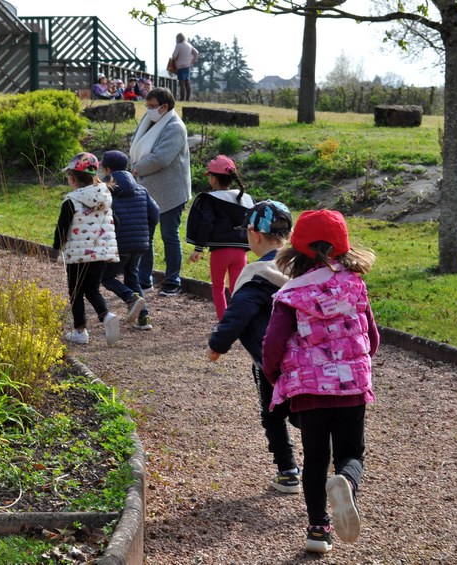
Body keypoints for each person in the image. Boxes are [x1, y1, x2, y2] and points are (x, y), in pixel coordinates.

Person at [262, 209, 379, 555]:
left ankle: (317, 530)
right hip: (351, 388)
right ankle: (345, 481)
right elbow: (371, 338)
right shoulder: (355, 285)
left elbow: (272, 345)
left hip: (309, 392)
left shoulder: (290, 296)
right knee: (351, 453)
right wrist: (358, 362)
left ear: (296, 250)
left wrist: (276, 378)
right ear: (343, 248)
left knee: (314, 458)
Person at [206, 201, 301, 494]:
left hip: (271, 359)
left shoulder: (257, 274)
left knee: (274, 415)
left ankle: (288, 472)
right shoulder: (300, 268)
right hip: (308, 356)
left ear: (254, 234)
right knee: (306, 413)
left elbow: (239, 312)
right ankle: (327, 457)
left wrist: (217, 344)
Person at [52, 152, 120, 346]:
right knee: (92, 289)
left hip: (77, 256)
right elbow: (116, 222)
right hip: (100, 254)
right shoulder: (105, 197)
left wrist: (56, 248)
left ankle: (81, 331)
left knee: (76, 292)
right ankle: (106, 316)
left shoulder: (71, 201)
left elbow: (61, 228)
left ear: (72, 179)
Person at [129, 87, 192, 297]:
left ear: (165, 107)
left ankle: (173, 280)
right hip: (146, 190)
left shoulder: (175, 127)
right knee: (145, 236)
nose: (148, 110)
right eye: (147, 106)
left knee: (169, 235)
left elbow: (161, 158)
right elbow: (135, 145)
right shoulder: (149, 122)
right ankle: (144, 279)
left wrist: (137, 168)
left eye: (152, 106)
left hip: (170, 192)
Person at [186, 155, 255, 320]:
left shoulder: (210, 199)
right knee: (236, 288)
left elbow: (206, 224)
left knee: (218, 287)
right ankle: (239, 319)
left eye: (210, 176)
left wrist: (198, 248)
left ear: (214, 179)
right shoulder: (245, 198)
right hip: (241, 252)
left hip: (220, 252)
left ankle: (224, 322)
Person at [99, 150, 160, 331]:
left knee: (107, 278)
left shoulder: (105, 190)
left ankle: (130, 298)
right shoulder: (141, 189)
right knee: (132, 277)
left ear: (107, 169)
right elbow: (155, 214)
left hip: (118, 243)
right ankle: (144, 318)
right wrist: (145, 234)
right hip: (140, 243)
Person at [170, 33, 199, 102]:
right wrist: (192, 61)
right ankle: (188, 98)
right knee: (187, 83)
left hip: (180, 66)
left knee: (181, 83)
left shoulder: (178, 45)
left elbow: (174, 56)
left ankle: (182, 98)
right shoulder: (189, 45)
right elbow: (196, 53)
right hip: (187, 66)